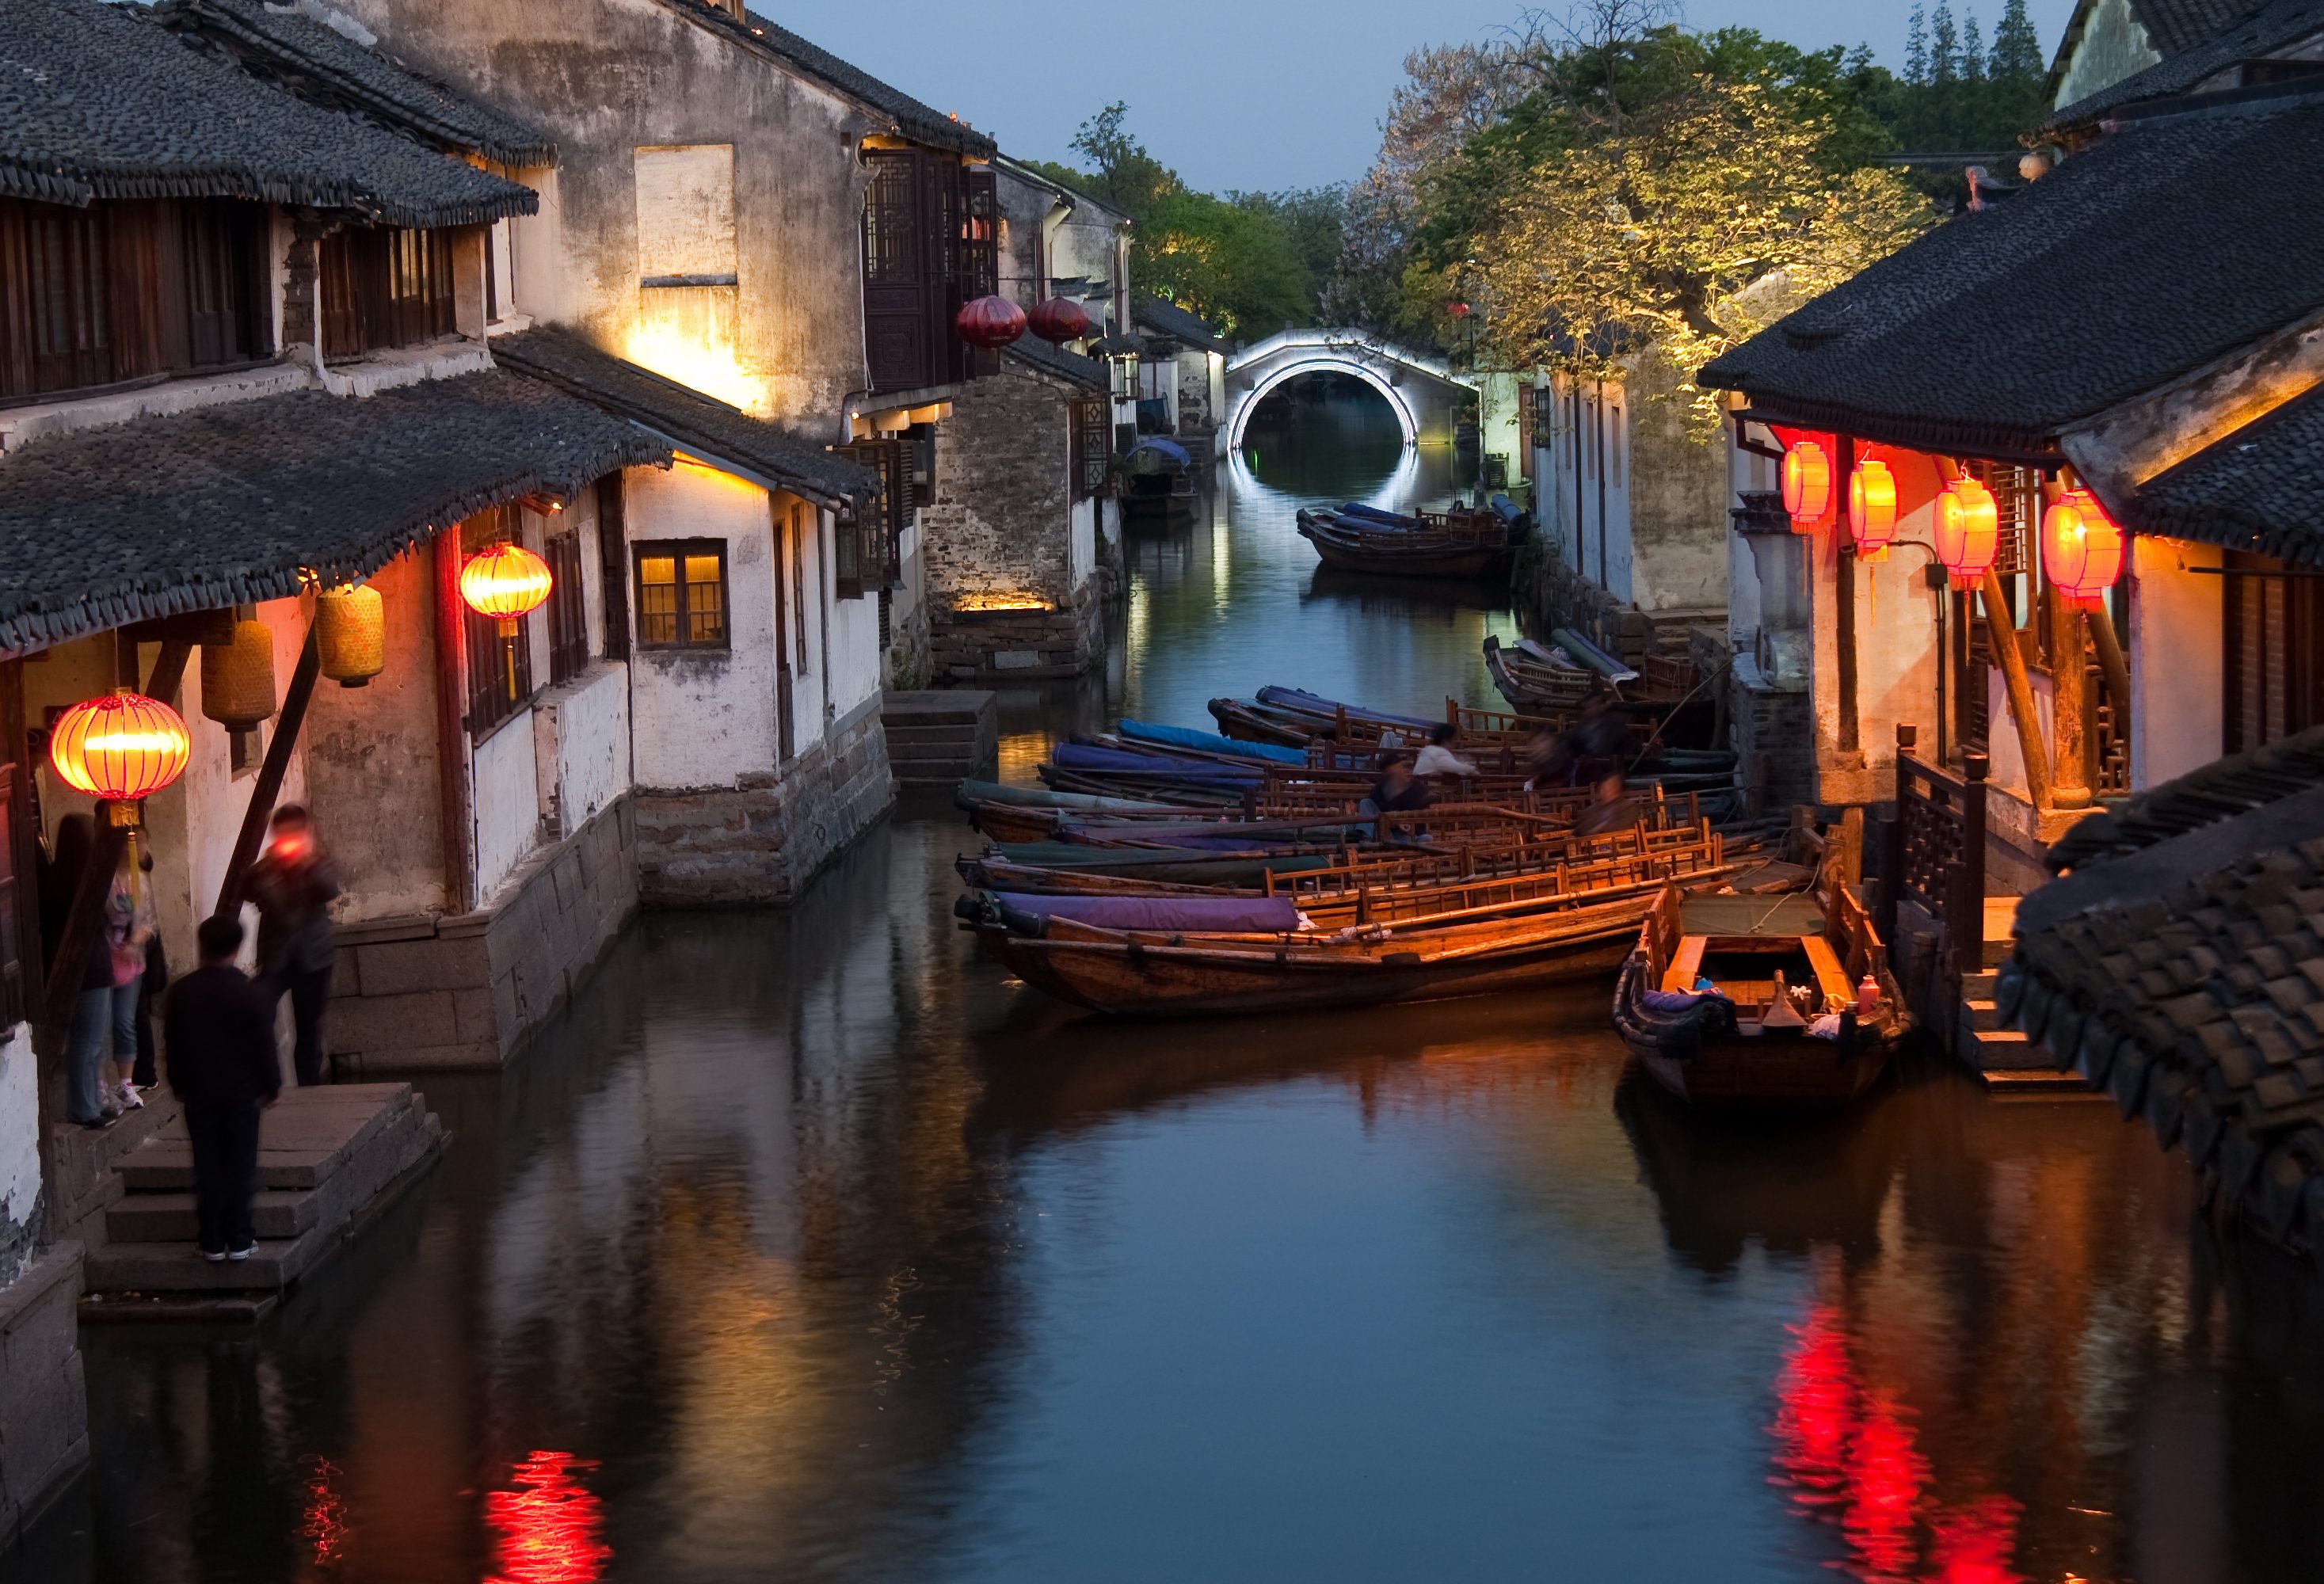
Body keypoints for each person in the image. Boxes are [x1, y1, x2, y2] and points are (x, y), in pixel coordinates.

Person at [164, 914, 280, 1262]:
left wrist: (177, 1083)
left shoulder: (182, 992)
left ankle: (211, 1240)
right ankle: (241, 1238)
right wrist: (270, 1086)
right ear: (237, 946)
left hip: (199, 1093)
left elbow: (173, 1044)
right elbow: (264, 1046)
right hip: (241, 1094)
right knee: (240, 1165)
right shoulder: (251, 994)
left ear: (203, 945)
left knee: (208, 1164)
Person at [244, 805, 340, 1087]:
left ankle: (309, 1087)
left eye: (294, 833)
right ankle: (267, 1083)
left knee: (309, 1028)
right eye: (283, 833)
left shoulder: (318, 862)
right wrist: (268, 869)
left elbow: (330, 889)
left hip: (314, 957)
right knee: (259, 1013)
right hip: (276, 958)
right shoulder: (266, 867)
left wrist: (306, 863)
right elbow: (246, 891)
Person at [43, 815, 128, 1128]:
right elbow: (120, 911)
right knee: (89, 1042)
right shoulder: (88, 878)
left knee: (89, 1041)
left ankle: (91, 1100)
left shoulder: (55, 875)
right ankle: (83, 1107)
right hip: (91, 966)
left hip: (76, 964)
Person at [102, 842, 158, 1112]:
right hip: (103, 959)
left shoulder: (140, 879)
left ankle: (126, 1082)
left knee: (125, 1022)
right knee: (100, 1026)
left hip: (129, 961)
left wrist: (137, 941)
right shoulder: (102, 876)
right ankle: (99, 1084)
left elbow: (148, 921)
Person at [1411, 722, 1478, 785]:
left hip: (1421, 784)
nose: (1455, 742)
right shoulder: (1439, 752)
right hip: (1428, 787)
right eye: (1454, 739)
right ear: (1445, 741)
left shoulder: (1428, 749)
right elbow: (1455, 767)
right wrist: (1472, 770)